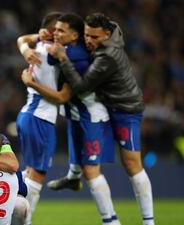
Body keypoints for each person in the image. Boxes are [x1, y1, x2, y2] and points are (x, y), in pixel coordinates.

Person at [49, 13, 154, 225]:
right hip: (107, 107)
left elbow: (80, 87)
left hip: (125, 110)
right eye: (87, 35)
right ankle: (74, 176)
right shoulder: (106, 36)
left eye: (95, 37)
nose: (89, 41)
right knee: (85, 149)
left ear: (107, 34)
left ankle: (148, 221)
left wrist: (63, 57)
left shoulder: (107, 56)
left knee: (132, 164)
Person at [17, 13, 119, 225]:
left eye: (61, 31)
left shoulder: (41, 49)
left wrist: (28, 45)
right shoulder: (54, 53)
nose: (57, 34)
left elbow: (21, 40)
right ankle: (21, 222)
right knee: (36, 177)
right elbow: (63, 96)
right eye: (56, 30)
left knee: (29, 173)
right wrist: (31, 81)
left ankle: (13, 219)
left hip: (29, 114)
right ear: (48, 32)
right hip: (40, 117)